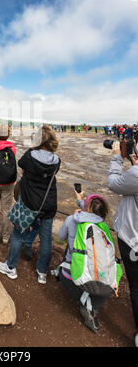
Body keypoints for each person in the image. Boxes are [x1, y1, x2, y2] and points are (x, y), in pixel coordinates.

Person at [0, 125, 60, 283]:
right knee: (46, 239)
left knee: (18, 233)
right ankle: (42, 273)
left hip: (29, 201)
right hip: (48, 203)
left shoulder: (30, 155)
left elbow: (22, 167)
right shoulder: (56, 160)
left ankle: (11, 267)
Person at [56, 192, 112, 333]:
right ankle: (91, 306)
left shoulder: (72, 220)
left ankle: (82, 298)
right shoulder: (104, 227)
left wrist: (73, 217)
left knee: (72, 246)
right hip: (102, 289)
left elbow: (60, 236)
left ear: (85, 208)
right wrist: (79, 199)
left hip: (72, 280)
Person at [108, 141, 138, 347]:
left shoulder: (136, 174)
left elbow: (114, 183)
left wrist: (117, 157)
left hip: (133, 239)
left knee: (136, 286)